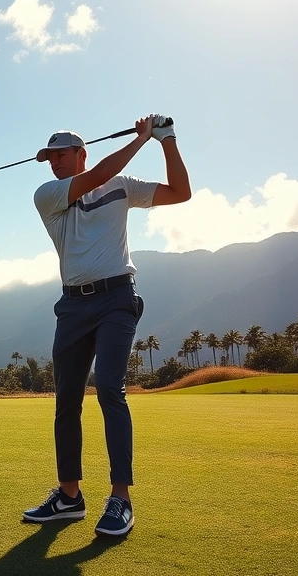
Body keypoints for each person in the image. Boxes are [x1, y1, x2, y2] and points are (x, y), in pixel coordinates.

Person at [22, 114, 191, 536]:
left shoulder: (122, 187)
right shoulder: (48, 195)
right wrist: (142, 138)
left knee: (110, 389)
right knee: (67, 401)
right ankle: (69, 497)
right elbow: (98, 174)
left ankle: (120, 499)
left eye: (60, 155)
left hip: (117, 298)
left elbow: (181, 192)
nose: (54, 163)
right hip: (73, 306)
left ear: (80, 153)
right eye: (49, 158)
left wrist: (166, 140)